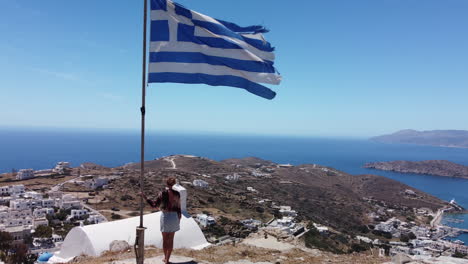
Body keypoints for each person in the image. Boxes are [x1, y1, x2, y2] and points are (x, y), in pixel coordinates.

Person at [141, 177, 181, 264]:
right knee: (171, 239)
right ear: (173, 184)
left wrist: (145, 197)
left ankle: (165, 258)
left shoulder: (162, 193)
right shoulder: (177, 194)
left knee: (165, 239)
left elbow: (154, 205)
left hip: (165, 216)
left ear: (166, 184)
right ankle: (167, 259)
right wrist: (179, 218)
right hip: (174, 217)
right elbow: (179, 208)